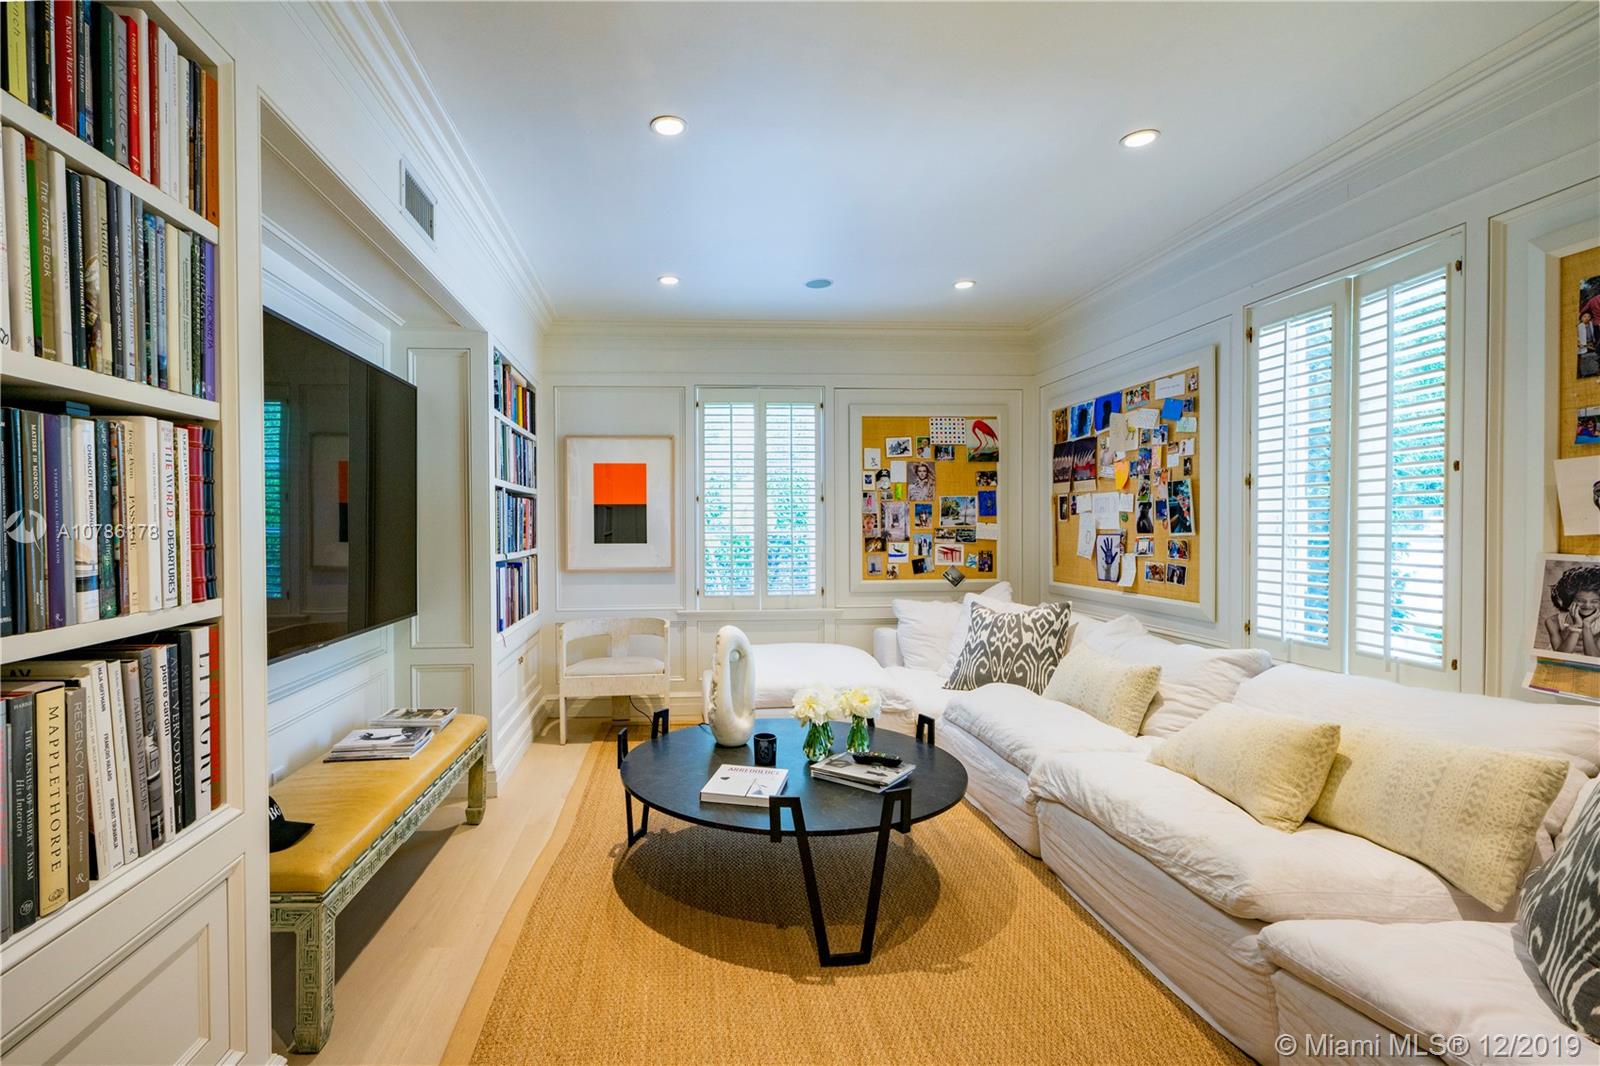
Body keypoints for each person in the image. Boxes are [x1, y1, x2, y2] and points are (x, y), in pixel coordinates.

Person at [1544, 565, 1600, 659]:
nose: (1587, 605)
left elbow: (1595, 658)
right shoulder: (1553, 621)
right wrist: (1577, 625)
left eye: (1594, 601)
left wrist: (1586, 625)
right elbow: (1560, 656)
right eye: (1580, 600)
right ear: (1569, 600)